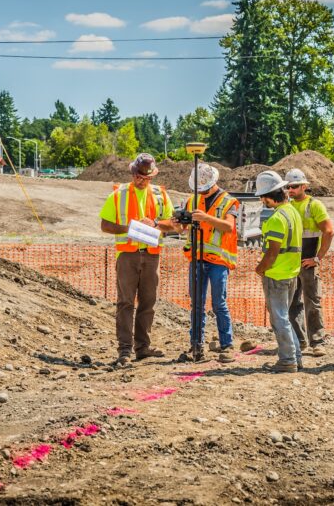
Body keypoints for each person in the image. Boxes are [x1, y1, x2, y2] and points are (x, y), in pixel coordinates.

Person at [99, 153, 175, 366]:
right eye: (137, 176)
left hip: (151, 255)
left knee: (148, 302)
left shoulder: (161, 195)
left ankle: (143, 347)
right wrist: (131, 227)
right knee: (125, 303)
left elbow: (173, 224)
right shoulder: (119, 194)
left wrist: (155, 223)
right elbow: (105, 225)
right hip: (127, 255)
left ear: (152, 176)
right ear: (132, 173)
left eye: (144, 177)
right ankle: (124, 350)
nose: (140, 180)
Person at [176, 163, 240, 364]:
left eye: (204, 188)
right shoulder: (192, 200)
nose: (201, 192)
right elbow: (182, 227)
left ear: (213, 183)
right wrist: (180, 224)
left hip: (218, 260)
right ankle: (196, 343)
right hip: (196, 257)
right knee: (196, 303)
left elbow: (229, 226)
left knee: (219, 302)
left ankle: (226, 344)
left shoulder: (229, 202)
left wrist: (206, 218)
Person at [253, 170, 303, 373]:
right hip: (292, 273)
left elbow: (272, 252)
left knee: (279, 318)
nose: (262, 202)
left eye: (262, 197)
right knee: (284, 317)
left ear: (269, 196)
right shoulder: (293, 212)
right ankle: (295, 357)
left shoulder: (276, 219)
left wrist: (260, 268)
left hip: (277, 274)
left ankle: (288, 360)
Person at [284, 168, 334, 357]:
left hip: (308, 260)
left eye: (295, 186)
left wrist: (317, 258)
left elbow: (329, 231)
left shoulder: (314, 205)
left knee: (312, 301)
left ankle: (317, 341)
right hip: (291, 262)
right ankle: (300, 341)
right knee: (292, 303)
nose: (291, 190)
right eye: (288, 187)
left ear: (304, 186)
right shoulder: (287, 206)